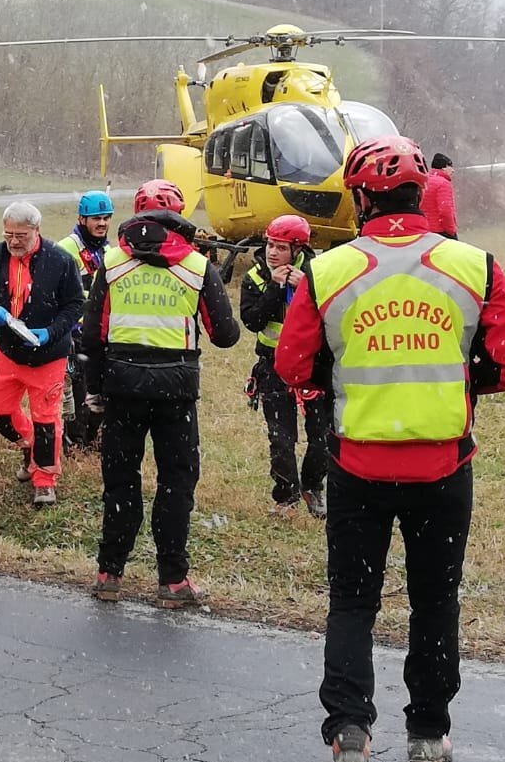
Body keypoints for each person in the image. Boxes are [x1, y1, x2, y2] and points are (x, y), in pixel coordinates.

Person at [275, 136, 505, 762]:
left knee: (352, 604)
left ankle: (350, 735)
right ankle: (426, 734)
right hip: (443, 467)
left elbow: (293, 367)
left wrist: (338, 380)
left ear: (359, 197)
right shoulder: (475, 266)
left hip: (357, 468)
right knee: (434, 603)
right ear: (422, 194)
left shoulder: (327, 271)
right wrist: (459, 381)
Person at [82, 179, 240, 606]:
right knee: (176, 484)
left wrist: (93, 390)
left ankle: (108, 572)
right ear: (179, 214)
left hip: (121, 387)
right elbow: (225, 335)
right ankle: (172, 581)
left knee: (120, 482)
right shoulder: (196, 265)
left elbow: (93, 336)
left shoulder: (111, 262)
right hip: (176, 393)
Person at [0, 201, 83, 506]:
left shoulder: (60, 260)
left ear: (36, 230)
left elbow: (75, 305)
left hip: (48, 355)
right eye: (9, 235)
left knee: (46, 419)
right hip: (7, 350)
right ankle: (30, 446)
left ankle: (44, 481)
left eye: (21, 235)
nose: (14, 241)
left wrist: (51, 332)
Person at [239, 214, 331, 520]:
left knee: (323, 436)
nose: (272, 252)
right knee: (281, 437)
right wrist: (275, 290)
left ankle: (313, 486)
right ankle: (286, 494)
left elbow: (332, 316)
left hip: (313, 369)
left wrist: (307, 288)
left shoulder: (319, 275)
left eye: (280, 247)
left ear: (297, 249)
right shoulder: (255, 276)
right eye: (269, 245)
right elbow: (252, 320)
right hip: (273, 368)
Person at [57, 190, 114, 454]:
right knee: (76, 387)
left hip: (100, 332)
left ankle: (93, 436)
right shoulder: (65, 249)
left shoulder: (109, 251)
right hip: (74, 331)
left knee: (99, 387)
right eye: (95, 219)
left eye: (105, 218)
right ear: (82, 219)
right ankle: (75, 440)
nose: (101, 224)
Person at [422, 152, 458, 239]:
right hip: (441, 231)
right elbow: (445, 210)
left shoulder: (424, 181)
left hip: (425, 231)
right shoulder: (443, 183)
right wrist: (451, 231)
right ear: (444, 167)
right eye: (450, 166)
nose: (453, 170)